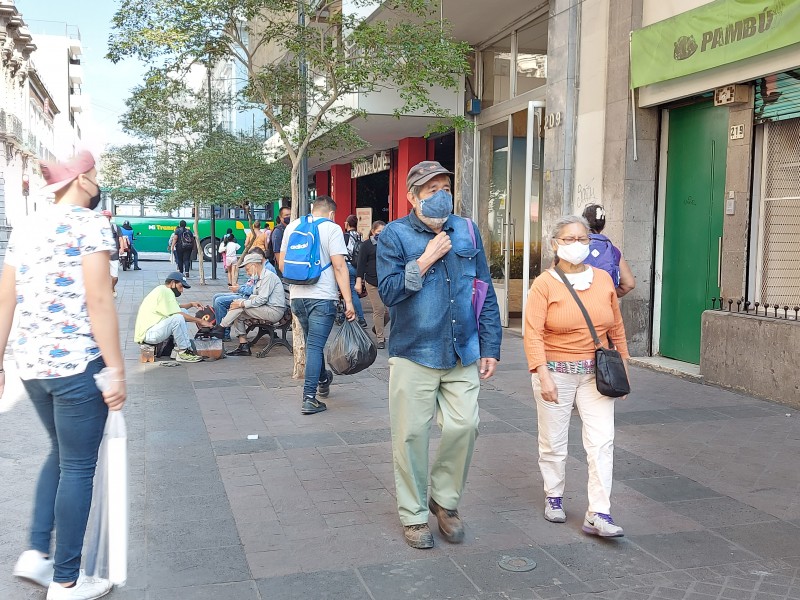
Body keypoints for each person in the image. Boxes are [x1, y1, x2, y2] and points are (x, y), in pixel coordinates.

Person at [0, 150, 125, 599]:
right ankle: (68, 580)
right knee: (77, 465)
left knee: (59, 451)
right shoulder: (90, 223)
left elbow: (5, 299)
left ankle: (36, 553)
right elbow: (99, 300)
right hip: (76, 364)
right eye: (93, 175)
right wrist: (116, 369)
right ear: (81, 180)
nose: (96, 182)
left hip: (31, 366)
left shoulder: (28, 225)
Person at [376, 161, 501, 550]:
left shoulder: (467, 230)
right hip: (414, 351)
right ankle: (414, 516)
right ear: (412, 197)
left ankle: (444, 502)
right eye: (430, 189)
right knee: (411, 435)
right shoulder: (394, 236)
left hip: (462, 348)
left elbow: (484, 288)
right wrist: (426, 258)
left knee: (465, 426)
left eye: (444, 187)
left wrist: (490, 345)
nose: (440, 194)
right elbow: (389, 292)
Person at [523, 214, 630, 538]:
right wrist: (543, 374)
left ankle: (599, 512)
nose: (577, 245)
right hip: (555, 372)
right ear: (555, 244)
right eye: (569, 239)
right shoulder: (544, 284)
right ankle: (553, 496)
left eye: (582, 239)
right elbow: (532, 333)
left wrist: (623, 367)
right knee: (554, 443)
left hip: (594, 376)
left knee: (602, 443)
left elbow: (615, 327)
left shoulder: (602, 280)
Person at [279, 195, 355, 415]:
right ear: (332, 214)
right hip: (322, 297)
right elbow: (340, 267)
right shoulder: (332, 229)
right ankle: (309, 398)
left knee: (313, 343)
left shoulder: (293, 226)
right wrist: (348, 301)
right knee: (314, 346)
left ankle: (323, 379)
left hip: (296, 297)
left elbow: (283, 264)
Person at [133, 272, 205, 363]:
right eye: (181, 286)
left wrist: (191, 304)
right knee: (178, 318)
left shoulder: (162, 289)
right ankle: (183, 351)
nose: (182, 290)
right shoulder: (166, 291)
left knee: (183, 313)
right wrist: (199, 321)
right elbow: (178, 313)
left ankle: (177, 349)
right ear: (172, 283)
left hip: (150, 331)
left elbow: (178, 307)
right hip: (148, 334)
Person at [223, 253, 286, 356]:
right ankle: (243, 345)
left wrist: (242, 303)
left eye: (247, 269)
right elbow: (256, 296)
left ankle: (221, 327)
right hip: (266, 308)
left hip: (274, 311)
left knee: (239, 308)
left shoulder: (268, 277)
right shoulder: (260, 277)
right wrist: (240, 303)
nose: (247, 273)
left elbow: (262, 299)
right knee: (237, 310)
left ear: (254, 265)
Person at [212, 248, 276, 341]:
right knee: (223, 300)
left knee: (231, 305)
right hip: (257, 300)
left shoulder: (267, 273)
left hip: (269, 308)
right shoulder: (261, 272)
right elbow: (255, 290)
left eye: (247, 269)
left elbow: (262, 297)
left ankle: (222, 330)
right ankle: (239, 342)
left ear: (255, 263)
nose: (247, 273)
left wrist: (241, 300)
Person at [581, 204, 635, 298]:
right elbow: (629, 284)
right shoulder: (613, 251)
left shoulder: (570, 246)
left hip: (575, 305)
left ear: (582, 222)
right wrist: (608, 294)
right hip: (603, 307)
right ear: (603, 226)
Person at [355, 220, 387, 349]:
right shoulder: (367, 245)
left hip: (386, 281)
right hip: (371, 281)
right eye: (379, 231)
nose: (381, 234)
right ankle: (380, 338)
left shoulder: (388, 244)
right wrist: (358, 281)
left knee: (388, 312)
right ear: (373, 231)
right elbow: (361, 264)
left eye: (384, 231)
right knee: (378, 309)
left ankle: (377, 327)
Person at [340, 215, 367, 328]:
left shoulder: (345, 236)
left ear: (347, 224)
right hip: (357, 266)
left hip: (347, 265)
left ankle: (361, 318)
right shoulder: (359, 236)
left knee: (351, 292)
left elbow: (341, 251)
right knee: (349, 292)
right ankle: (343, 315)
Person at [101, 210, 121, 297]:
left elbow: (121, 238)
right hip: (102, 257)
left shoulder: (115, 227)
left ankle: (112, 287)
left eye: (107, 216)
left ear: (110, 218)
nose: (105, 218)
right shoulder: (97, 228)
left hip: (114, 256)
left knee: (115, 277)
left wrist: (122, 248)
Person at [267, 205, 291, 273]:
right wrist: (283, 270)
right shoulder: (278, 231)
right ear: (280, 217)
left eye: (290, 215)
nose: (289, 217)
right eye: (286, 215)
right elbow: (277, 252)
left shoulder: (290, 228)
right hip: (282, 268)